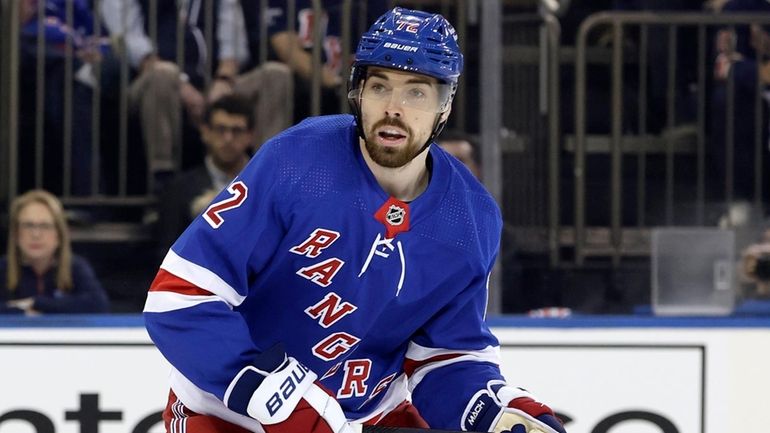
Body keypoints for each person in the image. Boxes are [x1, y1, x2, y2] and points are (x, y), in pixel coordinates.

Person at [144, 7, 566, 433]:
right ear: (357, 91)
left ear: (446, 106)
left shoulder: (471, 219)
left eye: (416, 92)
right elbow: (180, 300)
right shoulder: (296, 161)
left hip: (367, 416)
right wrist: (278, 399)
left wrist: (489, 413)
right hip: (227, 413)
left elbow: (443, 359)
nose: (394, 109)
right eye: (379, 86)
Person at [156, 94, 255, 258]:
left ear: (250, 135)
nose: (228, 139)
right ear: (205, 132)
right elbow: (166, 254)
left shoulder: (266, 187)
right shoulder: (179, 189)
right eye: (220, 129)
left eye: (237, 131)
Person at [0, 190, 109, 315]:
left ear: (59, 235)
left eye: (45, 226)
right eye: (28, 225)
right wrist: (21, 312)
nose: (36, 234)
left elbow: (98, 305)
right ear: (16, 234)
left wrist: (35, 303)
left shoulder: (75, 267)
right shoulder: (3, 268)